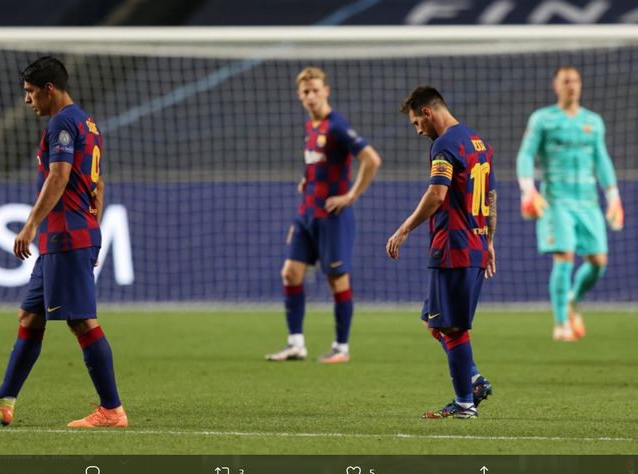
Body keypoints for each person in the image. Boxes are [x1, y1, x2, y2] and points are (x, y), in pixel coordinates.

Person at [0, 57, 128, 428]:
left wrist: (31, 224)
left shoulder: (63, 122)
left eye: (30, 92)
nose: (27, 100)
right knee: (30, 316)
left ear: (49, 89)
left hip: (65, 235)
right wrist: (92, 230)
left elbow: (60, 176)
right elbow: (98, 184)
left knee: (82, 322)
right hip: (69, 236)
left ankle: (112, 410)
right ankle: (3, 401)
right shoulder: (87, 121)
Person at [387, 86, 496, 418]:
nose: (418, 131)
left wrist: (404, 228)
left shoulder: (445, 144)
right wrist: (489, 242)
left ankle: (465, 403)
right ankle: (473, 380)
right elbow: (490, 199)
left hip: (454, 247)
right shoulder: (479, 144)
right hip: (475, 245)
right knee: (433, 320)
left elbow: (436, 194)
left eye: (416, 124)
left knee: (451, 328)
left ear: (427, 113)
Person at [266, 67, 381, 363]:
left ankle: (341, 347)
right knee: (290, 273)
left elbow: (372, 159)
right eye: (306, 92)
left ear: (326, 91)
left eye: (316, 90)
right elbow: (317, 164)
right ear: (299, 95)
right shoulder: (310, 126)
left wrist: (351, 196)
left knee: (336, 280)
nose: (311, 96)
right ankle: (296, 344)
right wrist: (307, 180)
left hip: (333, 216)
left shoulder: (337, 126)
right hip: (307, 214)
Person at [516, 66, 624, 342]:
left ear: (581, 85)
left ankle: (574, 298)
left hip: (588, 202)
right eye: (566, 81)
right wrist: (528, 190)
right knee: (564, 258)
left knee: (598, 262)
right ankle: (561, 323)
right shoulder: (543, 119)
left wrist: (613, 196)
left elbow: (602, 160)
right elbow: (526, 155)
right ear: (556, 86)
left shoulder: (593, 121)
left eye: (575, 80)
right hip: (556, 201)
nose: (571, 86)